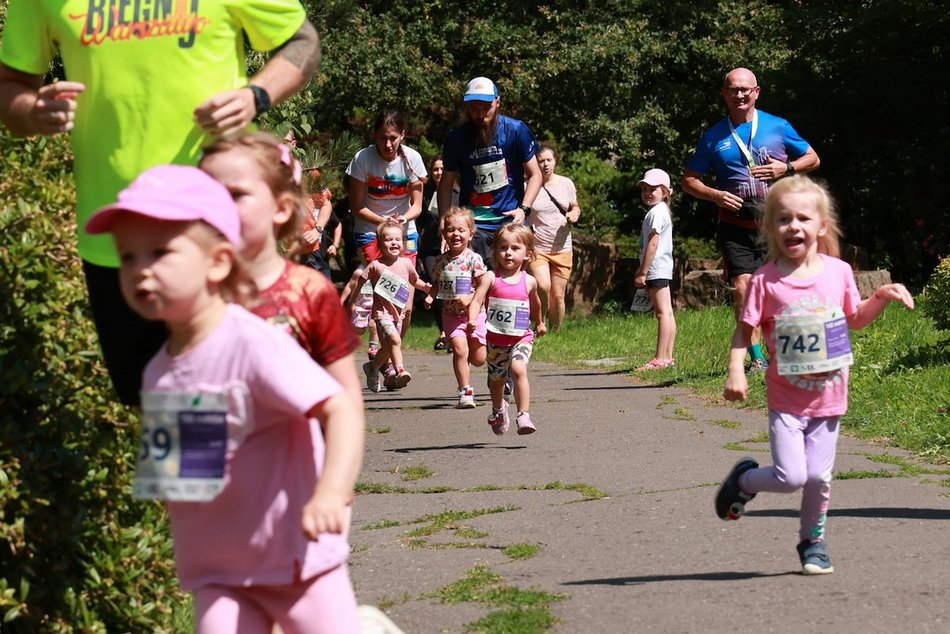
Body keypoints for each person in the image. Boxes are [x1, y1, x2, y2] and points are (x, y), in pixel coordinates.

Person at [84, 165, 364, 633]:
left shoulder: (252, 343)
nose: (140, 270)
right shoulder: (158, 369)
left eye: (159, 252)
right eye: (127, 256)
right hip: (218, 573)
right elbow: (189, 479)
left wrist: (332, 492)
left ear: (216, 262)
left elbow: (338, 408)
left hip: (297, 561)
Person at [0, 0, 321, 406]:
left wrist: (255, 95)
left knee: (236, 396)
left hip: (218, 230)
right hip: (120, 242)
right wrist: (31, 111)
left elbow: (303, 39)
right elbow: (10, 84)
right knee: (158, 405)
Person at [715, 175, 914, 575]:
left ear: (821, 226)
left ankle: (813, 541)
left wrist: (880, 297)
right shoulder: (765, 281)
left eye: (804, 218)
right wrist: (736, 369)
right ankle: (745, 481)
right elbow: (744, 330)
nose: (794, 226)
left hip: (829, 399)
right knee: (791, 476)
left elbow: (854, 319)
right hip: (787, 399)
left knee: (818, 478)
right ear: (769, 228)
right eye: (784, 219)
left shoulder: (838, 272)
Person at [199, 133, 363, 402]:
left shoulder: (315, 292)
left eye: (240, 194)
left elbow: (343, 401)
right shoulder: (207, 287)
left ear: (283, 207)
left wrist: (319, 230)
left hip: (309, 252)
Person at [682, 67, 820, 374]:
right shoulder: (713, 137)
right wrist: (716, 195)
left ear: (756, 92)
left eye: (746, 89)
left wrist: (786, 169)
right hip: (736, 228)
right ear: (724, 94)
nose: (740, 95)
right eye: (734, 89)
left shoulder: (777, 126)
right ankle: (758, 358)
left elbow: (813, 157)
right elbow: (689, 181)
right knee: (744, 290)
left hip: (779, 228)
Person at [347, 110, 427, 353]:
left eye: (393, 137)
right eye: (383, 138)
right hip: (371, 232)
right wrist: (383, 222)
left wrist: (401, 219)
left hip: (404, 232)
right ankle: (380, 348)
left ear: (402, 135)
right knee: (385, 292)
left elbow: (418, 206)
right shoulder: (363, 158)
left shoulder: (412, 159)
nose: (388, 144)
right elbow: (356, 206)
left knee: (407, 303)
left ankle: (386, 356)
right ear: (375, 136)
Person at [439, 76, 542, 266]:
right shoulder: (455, 138)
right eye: (474, 109)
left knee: (507, 285)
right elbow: (446, 184)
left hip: (509, 223)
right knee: (473, 285)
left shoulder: (516, 130)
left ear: (498, 102)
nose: (480, 114)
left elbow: (536, 175)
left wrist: (524, 209)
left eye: (486, 108)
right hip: (473, 226)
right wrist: (445, 225)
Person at [468, 224, 546, 435]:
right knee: (497, 380)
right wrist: (473, 319)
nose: (508, 252)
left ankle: (524, 415)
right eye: (503, 248)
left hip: (522, 337)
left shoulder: (529, 281)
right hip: (495, 341)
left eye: (515, 248)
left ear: (528, 254)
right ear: (495, 252)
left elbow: (536, 304)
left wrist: (539, 322)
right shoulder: (491, 277)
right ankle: (499, 410)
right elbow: (476, 301)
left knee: (519, 368)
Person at [360, 219, 433, 393]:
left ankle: (373, 367)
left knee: (388, 347)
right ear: (379, 243)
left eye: (397, 239)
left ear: (403, 242)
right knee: (395, 340)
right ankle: (400, 369)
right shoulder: (376, 266)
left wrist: (426, 288)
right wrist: (355, 305)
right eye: (388, 239)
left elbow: (415, 281)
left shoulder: (406, 263)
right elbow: (359, 284)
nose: (394, 243)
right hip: (381, 314)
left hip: (398, 315)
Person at [429, 207, 489, 409]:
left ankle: (498, 371)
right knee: (459, 350)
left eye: (461, 230)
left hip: (474, 315)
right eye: (451, 230)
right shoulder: (440, 260)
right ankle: (465, 390)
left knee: (479, 359)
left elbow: (483, 286)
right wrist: (430, 296)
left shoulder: (474, 259)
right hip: (451, 315)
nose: (456, 234)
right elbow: (437, 282)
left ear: (471, 233)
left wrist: (471, 297)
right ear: (444, 233)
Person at [527, 146, 581, 330]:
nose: (545, 164)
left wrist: (574, 213)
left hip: (562, 247)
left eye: (548, 160)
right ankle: (539, 324)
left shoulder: (566, 183)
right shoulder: (528, 186)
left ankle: (556, 331)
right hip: (538, 247)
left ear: (555, 161)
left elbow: (575, 206)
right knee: (542, 286)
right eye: (541, 161)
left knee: (558, 295)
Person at [634, 168, 677, 370]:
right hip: (661, 266)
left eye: (653, 189)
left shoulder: (656, 212)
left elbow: (653, 243)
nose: (648, 193)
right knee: (666, 312)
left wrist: (643, 271)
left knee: (662, 313)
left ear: (665, 192)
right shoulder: (660, 211)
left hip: (656, 267)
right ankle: (667, 357)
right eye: (644, 189)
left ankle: (660, 358)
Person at [419, 155, 459, 352]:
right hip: (430, 249)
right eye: (435, 169)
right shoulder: (424, 194)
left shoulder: (457, 192)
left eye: (442, 169)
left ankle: (455, 334)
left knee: (453, 288)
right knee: (437, 288)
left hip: (453, 250)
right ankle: (443, 333)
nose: (439, 173)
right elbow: (419, 225)